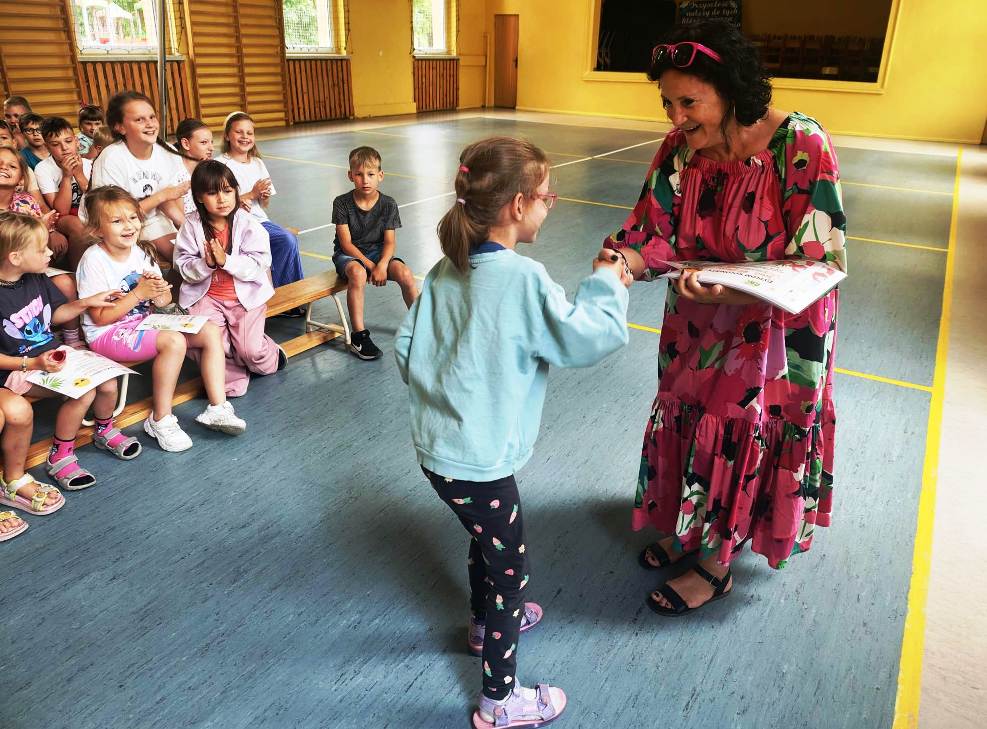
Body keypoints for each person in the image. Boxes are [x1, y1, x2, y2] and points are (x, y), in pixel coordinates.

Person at [602, 21, 846, 615]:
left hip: (776, 332)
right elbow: (652, 230)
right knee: (691, 416)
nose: (676, 117)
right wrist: (622, 261)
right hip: (697, 320)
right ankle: (691, 525)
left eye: (689, 102)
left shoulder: (800, 144)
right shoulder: (679, 149)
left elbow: (820, 259)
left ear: (732, 89)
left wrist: (732, 293)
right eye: (667, 102)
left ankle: (716, 564)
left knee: (742, 428)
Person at [396, 137, 633, 729]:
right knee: (511, 574)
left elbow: (406, 347)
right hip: (479, 465)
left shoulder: (445, 269)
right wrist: (608, 280)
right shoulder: (525, 278)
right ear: (519, 205)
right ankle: (500, 700)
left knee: (486, 539)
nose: (550, 205)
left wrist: (449, 390)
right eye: (547, 196)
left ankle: (482, 624)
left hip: (439, 454)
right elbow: (587, 336)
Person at [77, 186, 246, 452]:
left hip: (142, 323)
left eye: (133, 217)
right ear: (98, 230)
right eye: (117, 221)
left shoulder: (141, 253)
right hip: (107, 333)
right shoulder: (94, 260)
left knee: (210, 330)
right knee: (173, 342)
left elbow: (163, 302)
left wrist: (159, 294)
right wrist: (137, 294)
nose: (129, 226)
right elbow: (99, 318)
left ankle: (217, 407)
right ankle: (160, 419)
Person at [0, 212, 133, 501]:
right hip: (16, 369)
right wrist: (32, 363)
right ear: (15, 257)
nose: (50, 253)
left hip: (49, 356)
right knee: (83, 392)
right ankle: (60, 456)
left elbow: (55, 315)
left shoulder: (35, 278)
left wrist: (85, 303)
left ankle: (104, 430)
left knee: (108, 380)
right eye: (42, 249)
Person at [174, 160, 285, 397]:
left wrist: (226, 261)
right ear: (199, 197)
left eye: (227, 191)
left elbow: (259, 264)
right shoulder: (191, 225)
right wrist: (206, 264)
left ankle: (272, 355)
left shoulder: (248, 223)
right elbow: (183, 266)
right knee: (211, 343)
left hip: (244, 298)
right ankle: (231, 380)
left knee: (250, 350)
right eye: (212, 193)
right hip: (207, 298)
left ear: (236, 190)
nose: (222, 199)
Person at [331, 146, 418, 360]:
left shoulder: (388, 204)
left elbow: (389, 242)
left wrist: (382, 264)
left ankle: (421, 324)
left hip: (378, 253)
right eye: (359, 174)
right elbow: (346, 244)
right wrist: (371, 266)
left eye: (370, 174)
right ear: (350, 175)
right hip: (349, 255)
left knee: (405, 273)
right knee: (358, 273)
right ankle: (359, 336)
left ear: (380, 175)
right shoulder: (341, 203)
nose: (365, 180)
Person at [86, 90, 190, 264]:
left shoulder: (168, 153)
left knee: (186, 257)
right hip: (113, 226)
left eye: (152, 117)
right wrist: (161, 196)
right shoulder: (111, 158)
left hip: (153, 220)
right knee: (145, 264)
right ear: (120, 127)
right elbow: (114, 217)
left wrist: (186, 228)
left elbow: (172, 200)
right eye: (139, 120)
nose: (150, 124)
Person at [216, 112, 304, 291]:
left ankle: (290, 292)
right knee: (286, 239)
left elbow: (264, 205)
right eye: (239, 132)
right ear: (227, 135)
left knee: (287, 240)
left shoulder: (257, 163)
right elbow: (218, 202)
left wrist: (263, 196)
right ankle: (286, 293)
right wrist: (251, 194)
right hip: (234, 224)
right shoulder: (220, 165)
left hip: (259, 221)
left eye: (249, 133)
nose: (245, 137)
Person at [36, 116, 93, 268]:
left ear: (76, 141)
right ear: (47, 147)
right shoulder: (43, 169)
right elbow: (61, 211)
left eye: (68, 141)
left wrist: (79, 174)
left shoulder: (89, 164)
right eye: (56, 144)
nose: (64, 148)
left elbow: (96, 200)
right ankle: (77, 273)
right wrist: (67, 176)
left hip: (89, 211)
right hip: (62, 218)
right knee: (77, 225)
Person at [174, 118, 214, 217]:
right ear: (186, 144)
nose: (211, 148)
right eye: (204, 142)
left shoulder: (209, 169)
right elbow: (179, 219)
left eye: (211, 142)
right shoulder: (176, 175)